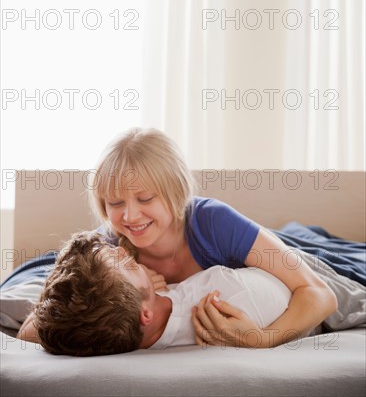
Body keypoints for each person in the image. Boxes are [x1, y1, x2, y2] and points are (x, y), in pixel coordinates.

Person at [18, 127, 366, 348]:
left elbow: (318, 293)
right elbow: (33, 330)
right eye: (115, 203)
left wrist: (262, 339)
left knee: (322, 253)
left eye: (145, 199)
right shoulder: (111, 249)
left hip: (287, 253)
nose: (130, 216)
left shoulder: (213, 222)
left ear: (176, 193)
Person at [19, 231, 365, 356]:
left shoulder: (117, 328)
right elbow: (317, 294)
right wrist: (264, 341)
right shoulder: (231, 298)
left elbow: (31, 331)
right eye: (126, 264)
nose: (126, 249)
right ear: (145, 314)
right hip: (315, 271)